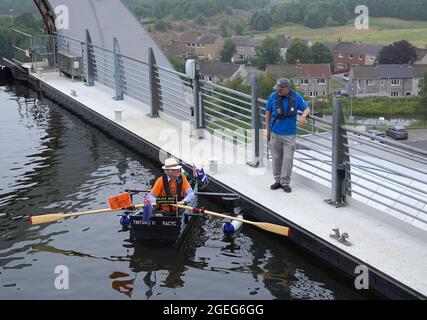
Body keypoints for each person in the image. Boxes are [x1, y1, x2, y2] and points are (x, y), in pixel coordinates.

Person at [265, 78, 310, 193]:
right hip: (275, 132)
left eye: (280, 89)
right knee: (276, 158)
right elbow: (268, 113)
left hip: (289, 134)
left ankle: (285, 182)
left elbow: (307, 108)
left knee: (288, 159)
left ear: (287, 89)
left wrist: (303, 116)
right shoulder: (273, 96)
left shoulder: (296, 97)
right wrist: (267, 129)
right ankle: (277, 180)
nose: (278, 91)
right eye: (277, 89)